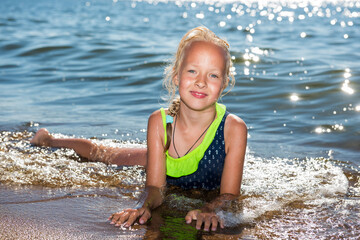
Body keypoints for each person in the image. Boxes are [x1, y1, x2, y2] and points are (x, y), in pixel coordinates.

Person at [31, 26, 247, 232]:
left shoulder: (233, 129)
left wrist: (209, 210)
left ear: (225, 83)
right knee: (103, 154)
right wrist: (143, 206)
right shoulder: (160, 122)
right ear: (176, 76)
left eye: (213, 75)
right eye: (192, 71)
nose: (201, 82)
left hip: (180, 162)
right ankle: (49, 140)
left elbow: (229, 195)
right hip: (157, 159)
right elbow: (155, 189)